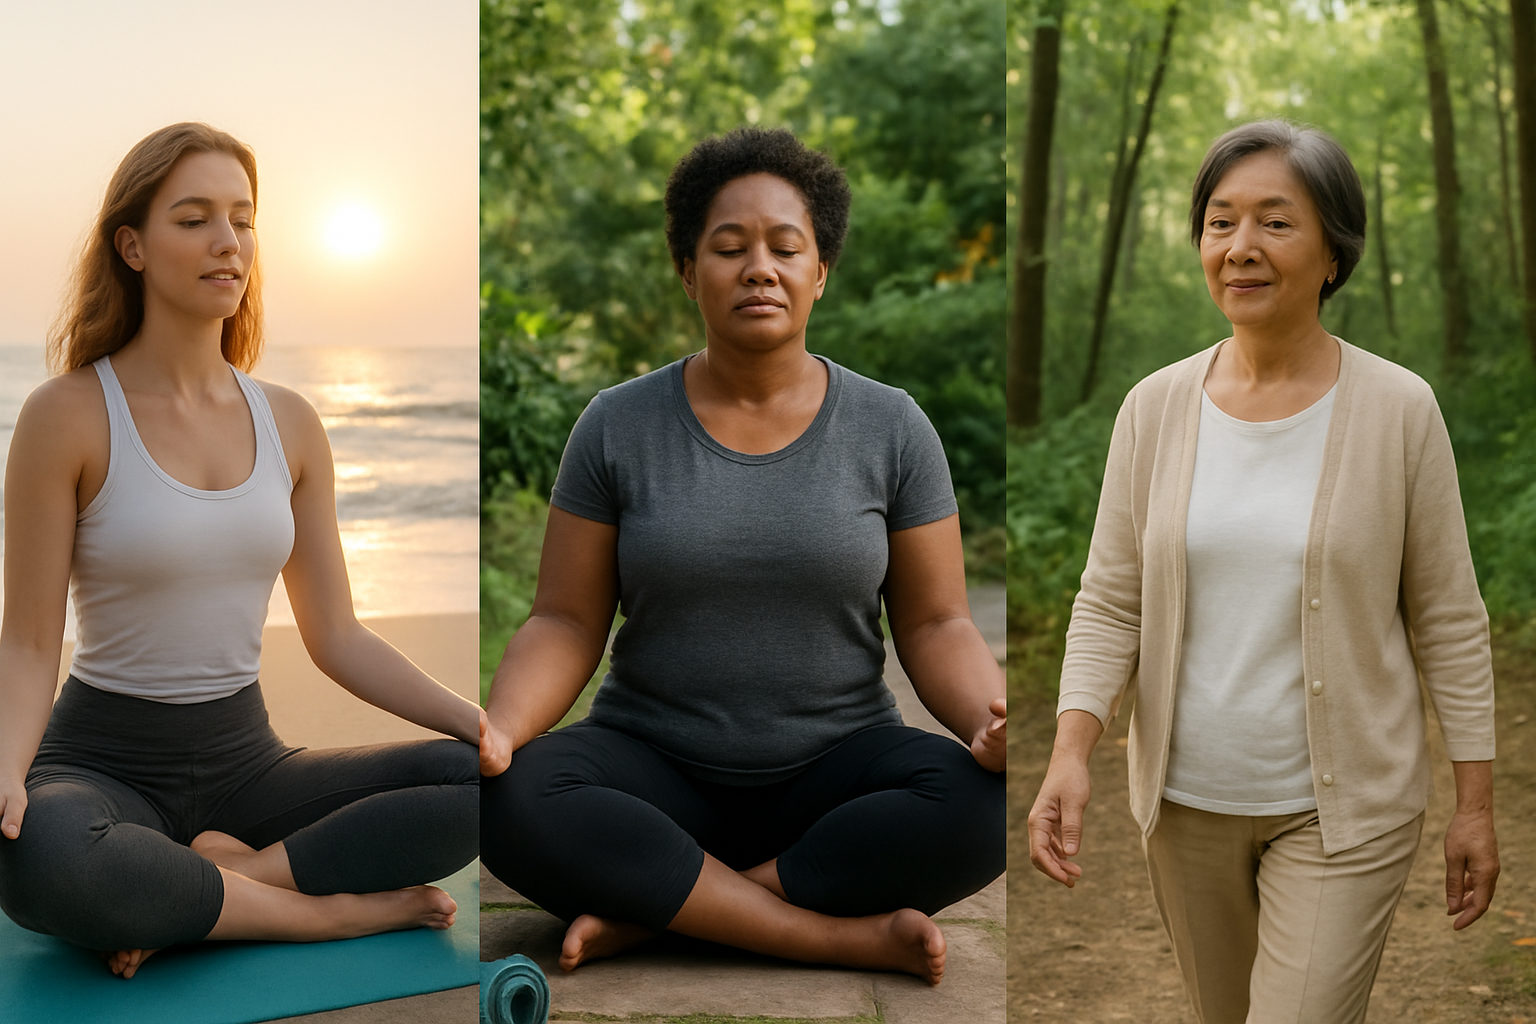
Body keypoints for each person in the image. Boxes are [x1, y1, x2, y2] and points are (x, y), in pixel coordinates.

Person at [479, 126, 1005, 986]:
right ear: (689, 272)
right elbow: (565, 620)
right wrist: (501, 729)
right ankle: (830, 936)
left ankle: (661, 914)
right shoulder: (616, 424)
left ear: (820, 272)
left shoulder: (893, 427)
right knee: (508, 798)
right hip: (653, 771)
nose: (759, 268)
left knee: (987, 806)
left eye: (785, 248)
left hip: (836, 774)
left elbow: (939, 621)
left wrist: (987, 723)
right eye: (729, 248)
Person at [1026, 119, 1499, 1023]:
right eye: (1220, 222)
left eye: (1276, 223)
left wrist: (1475, 805)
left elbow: (1448, 617)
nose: (1241, 247)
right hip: (1183, 806)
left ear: (1333, 254)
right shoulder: (1153, 408)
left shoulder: (1400, 410)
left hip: (1346, 813)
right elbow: (1112, 600)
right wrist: (1070, 754)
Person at [0, 123, 481, 978]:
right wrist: (7, 772)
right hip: (101, 763)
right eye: (194, 220)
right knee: (42, 855)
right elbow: (31, 640)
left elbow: (338, 635)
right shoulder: (66, 414)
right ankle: (326, 916)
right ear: (132, 246)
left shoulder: (290, 422)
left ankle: (217, 887)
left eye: (244, 219)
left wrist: (478, 724)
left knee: (482, 785)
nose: (229, 242)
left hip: (248, 766)